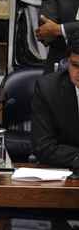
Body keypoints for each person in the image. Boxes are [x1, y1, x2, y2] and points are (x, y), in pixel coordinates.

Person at [31, 37, 79, 168]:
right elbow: (43, 147)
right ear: (67, 61)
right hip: (64, 170)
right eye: (75, 65)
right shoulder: (48, 88)